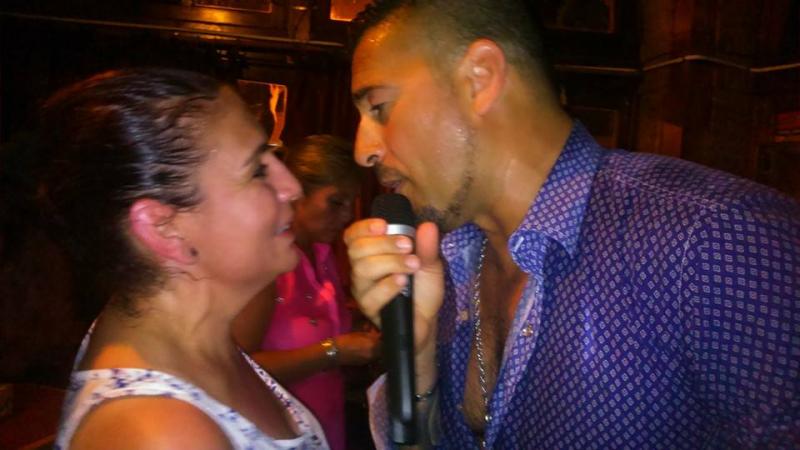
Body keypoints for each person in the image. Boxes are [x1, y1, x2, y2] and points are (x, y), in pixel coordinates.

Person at [342, 1, 800, 448]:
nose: (363, 150)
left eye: (379, 107)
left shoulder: (717, 239)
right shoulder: (439, 261)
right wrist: (417, 356)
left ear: (479, 78)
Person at [8, 68, 330, 449]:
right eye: (258, 169)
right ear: (163, 228)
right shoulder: (160, 431)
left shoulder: (188, 337)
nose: (291, 187)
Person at [233, 134, 381, 450]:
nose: (347, 216)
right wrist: (334, 351)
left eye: (351, 203)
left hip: (328, 431)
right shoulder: (268, 262)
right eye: (336, 202)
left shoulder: (324, 256)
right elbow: (238, 369)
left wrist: (359, 334)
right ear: (296, 192)